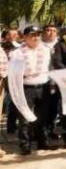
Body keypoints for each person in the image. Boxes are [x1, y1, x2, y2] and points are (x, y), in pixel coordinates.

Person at [9, 26, 52, 155]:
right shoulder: (17, 53)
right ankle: (25, 145)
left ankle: (42, 142)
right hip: (25, 88)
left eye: (38, 35)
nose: (35, 38)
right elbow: (12, 73)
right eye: (32, 35)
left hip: (43, 87)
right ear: (25, 37)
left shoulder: (46, 50)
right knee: (24, 118)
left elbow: (51, 67)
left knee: (42, 117)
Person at [1, 28, 21, 134]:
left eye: (15, 34)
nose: (12, 36)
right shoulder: (2, 46)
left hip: (16, 76)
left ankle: (12, 125)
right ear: (6, 35)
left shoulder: (21, 47)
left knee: (14, 100)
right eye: (10, 34)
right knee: (6, 99)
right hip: (4, 75)